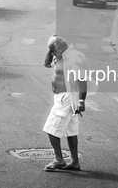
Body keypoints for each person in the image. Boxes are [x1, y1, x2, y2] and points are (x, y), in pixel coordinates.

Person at [42, 35, 88, 171]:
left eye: (53, 51)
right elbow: (46, 64)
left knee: (51, 129)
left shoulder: (73, 58)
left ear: (60, 48)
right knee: (71, 131)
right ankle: (75, 162)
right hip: (61, 97)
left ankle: (59, 159)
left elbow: (82, 80)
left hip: (67, 98)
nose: (52, 54)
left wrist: (81, 101)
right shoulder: (61, 55)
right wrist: (51, 49)